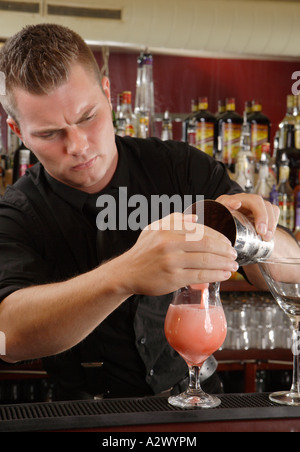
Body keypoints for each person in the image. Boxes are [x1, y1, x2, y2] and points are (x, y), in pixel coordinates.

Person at [0, 24, 296, 400]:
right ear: (18, 130)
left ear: (107, 94)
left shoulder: (181, 169)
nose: (77, 145)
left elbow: (292, 272)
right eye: (48, 133)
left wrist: (253, 234)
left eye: (88, 117)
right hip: (86, 414)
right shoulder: (18, 212)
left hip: (198, 402)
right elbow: (7, 336)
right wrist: (125, 275)